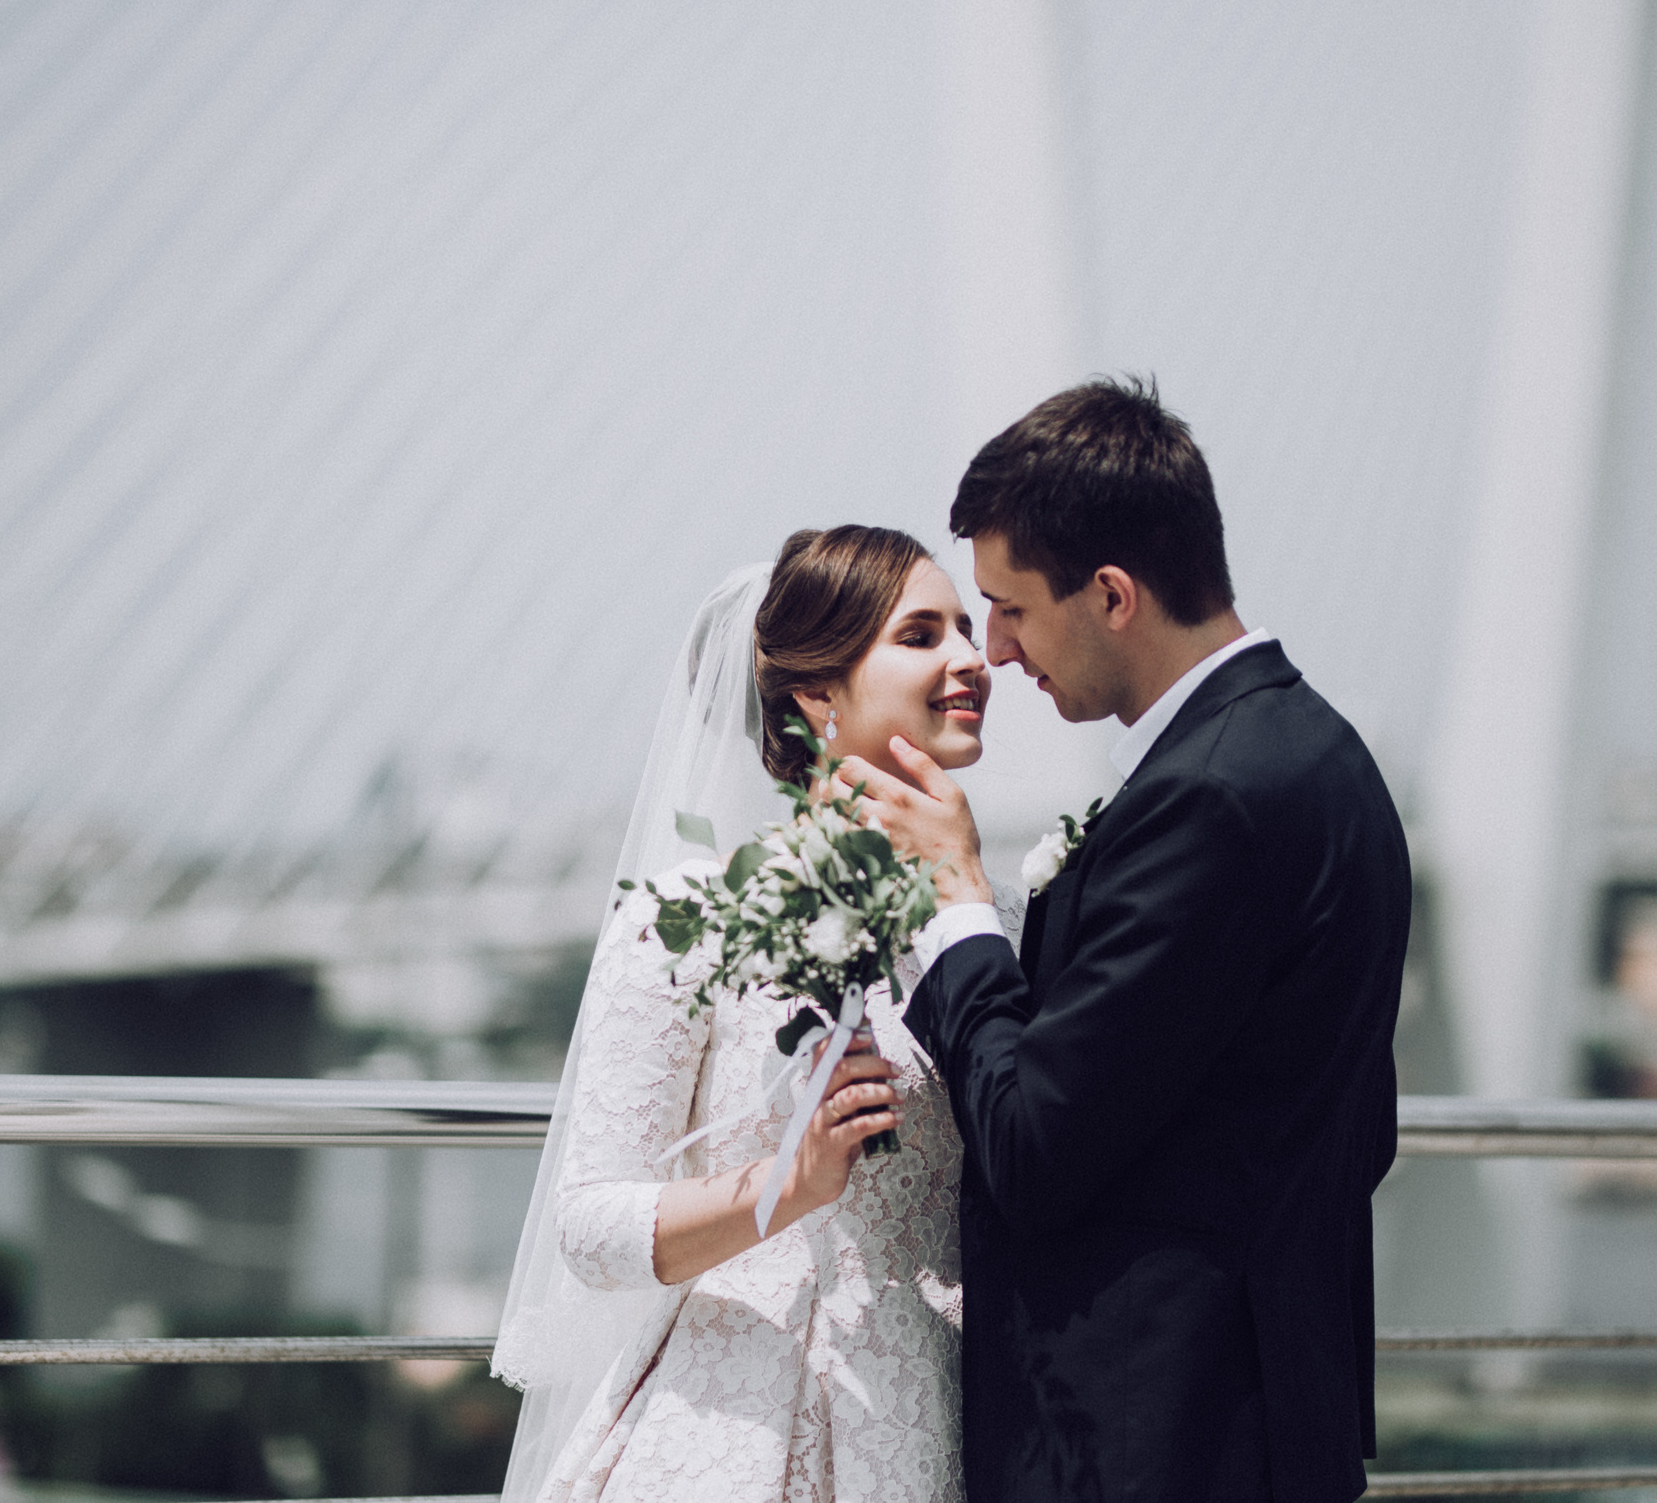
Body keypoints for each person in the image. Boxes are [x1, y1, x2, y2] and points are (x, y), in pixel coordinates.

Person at [846, 379, 1412, 1503]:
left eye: (1009, 607)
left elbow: (1035, 1146)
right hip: (1247, 1412)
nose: (995, 652)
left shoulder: (1211, 799)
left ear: (1111, 594)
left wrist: (959, 894)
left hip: (1163, 1436)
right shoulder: (1311, 754)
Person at [493, 526, 1005, 1503]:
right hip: (732, 1425)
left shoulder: (995, 925)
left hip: (943, 1416)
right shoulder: (690, 918)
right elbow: (590, 1228)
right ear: (817, 694)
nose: (970, 660)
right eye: (923, 634)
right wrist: (783, 1187)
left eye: (970, 629)